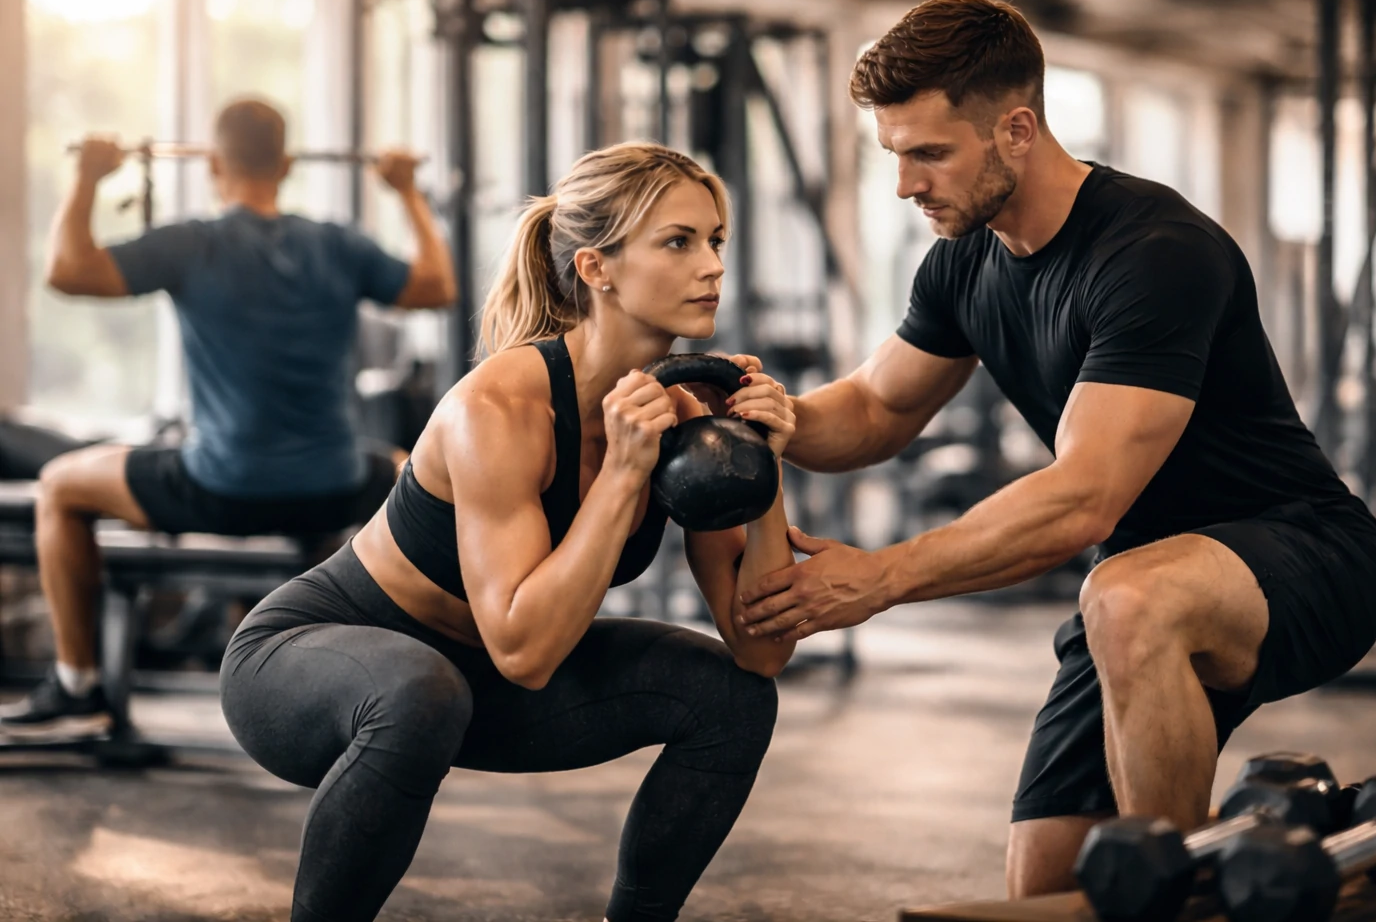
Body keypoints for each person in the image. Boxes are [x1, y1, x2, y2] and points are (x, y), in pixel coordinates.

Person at [734, 0, 1376, 896]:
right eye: (894, 155)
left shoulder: (1155, 251)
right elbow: (877, 406)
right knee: (1044, 887)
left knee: (1125, 598)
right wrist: (766, 415)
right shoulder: (965, 259)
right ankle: (1187, 860)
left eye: (930, 154)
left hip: (1305, 551)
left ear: (1016, 130)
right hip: (1137, 591)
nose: (905, 185)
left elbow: (1086, 499)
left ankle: (1174, 895)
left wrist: (882, 577)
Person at [219, 141, 797, 922]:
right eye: (678, 242)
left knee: (732, 698)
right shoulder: (499, 408)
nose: (713, 266)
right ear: (596, 268)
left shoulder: (683, 415)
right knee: (420, 691)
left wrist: (760, 469)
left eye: (716, 240)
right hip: (307, 664)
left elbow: (761, 649)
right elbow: (525, 651)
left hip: (473, 683)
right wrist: (623, 474)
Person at [1, 97, 457, 731]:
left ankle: (77, 682)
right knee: (409, 473)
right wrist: (406, 192)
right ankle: (443, 660)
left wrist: (86, 179)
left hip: (222, 489)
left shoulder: (193, 243)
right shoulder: (337, 244)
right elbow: (438, 286)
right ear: (287, 165)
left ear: (215, 164)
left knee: (59, 486)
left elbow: (68, 270)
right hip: (336, 489)